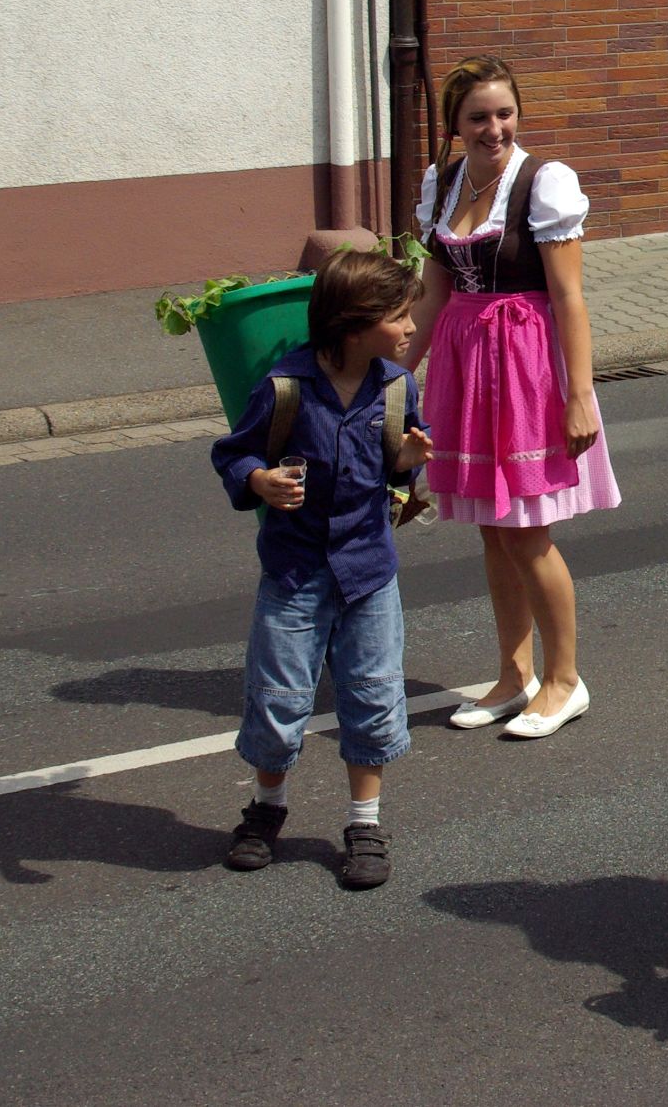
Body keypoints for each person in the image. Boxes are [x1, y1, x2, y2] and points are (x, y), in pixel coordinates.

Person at [407, 56, 621, 739]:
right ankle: (513, 673)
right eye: (478, 117)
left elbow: (569, 295)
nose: (494, 128)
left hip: (528, 365)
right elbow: (434, 293)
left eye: (504, 113)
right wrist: (394, 374)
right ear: (455, 125)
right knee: (493, 535)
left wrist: (580, 395)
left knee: (527, 533)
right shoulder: (441, 183)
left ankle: (565, 679)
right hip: (467, 365)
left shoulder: (543, 182)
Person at [211, 249, 434, 890]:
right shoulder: (286, 388)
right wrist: (259, 478)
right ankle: (267, 808)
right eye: (398, 316)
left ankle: (364, 823)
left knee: (372, 695)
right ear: (353, 325)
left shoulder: (396, 388)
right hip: (294, 573)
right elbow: (234, 453)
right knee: (279, 699)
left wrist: (407, 459)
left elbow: (395, 469)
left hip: (368, 573)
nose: (410, 327)